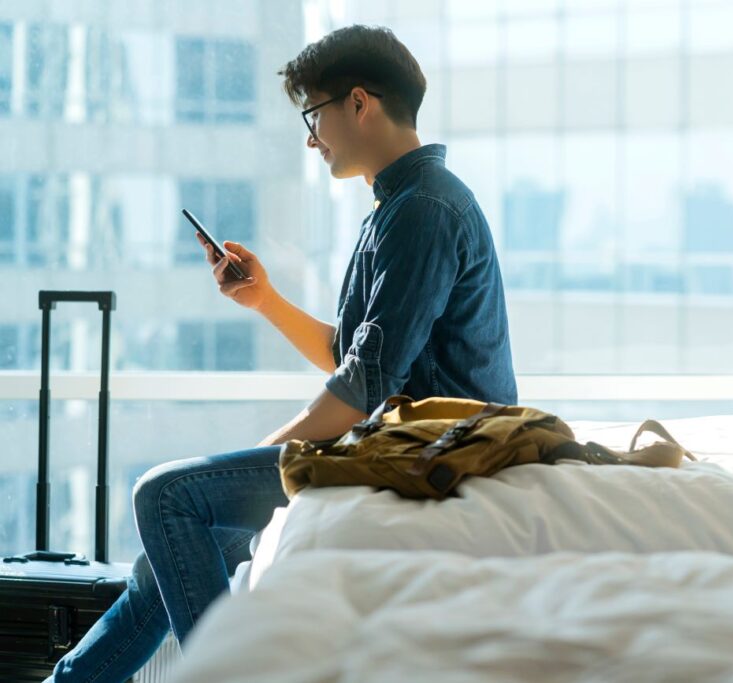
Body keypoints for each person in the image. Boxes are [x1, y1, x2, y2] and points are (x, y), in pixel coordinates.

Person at [47, 24, 516, 682]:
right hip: (401, 441)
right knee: (168, 553)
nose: (310, 135)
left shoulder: (425, 210)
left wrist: (283, 446)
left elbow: (367, 381)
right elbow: (354, 356)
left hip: (433, 453)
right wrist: (263, 297)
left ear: (360, 103)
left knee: (165, 497)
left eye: (313, 113)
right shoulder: (399, 206)